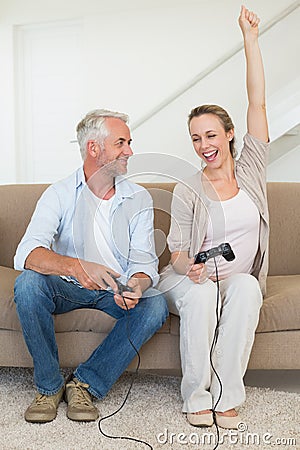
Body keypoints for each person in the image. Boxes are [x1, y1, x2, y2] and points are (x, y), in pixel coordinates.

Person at [14, 109, 168, 423]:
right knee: (28, 284)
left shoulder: (138, 198)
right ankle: (49, 386)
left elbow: (145, 263)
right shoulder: (58, 193)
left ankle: (85, 383)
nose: (130, 151)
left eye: (129, 142)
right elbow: (27, 253)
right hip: (67, 287)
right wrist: (76, 267)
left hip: (115, 288)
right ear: (94, 149)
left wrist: (136, 285)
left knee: (156, 305)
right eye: (121, 143)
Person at [158, 5, 269, 429]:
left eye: (210, 135)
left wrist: (251, 39)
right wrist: (193, 269)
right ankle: (196, 397)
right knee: (202, 294)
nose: (204, 145)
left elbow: (256, 101)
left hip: (233, 277)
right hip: (189, 279)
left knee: (246, 289)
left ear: (229, 135)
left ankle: (227, 396)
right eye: (195, 138)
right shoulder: (188, 188)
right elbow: (179, 254)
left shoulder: (252, 170)